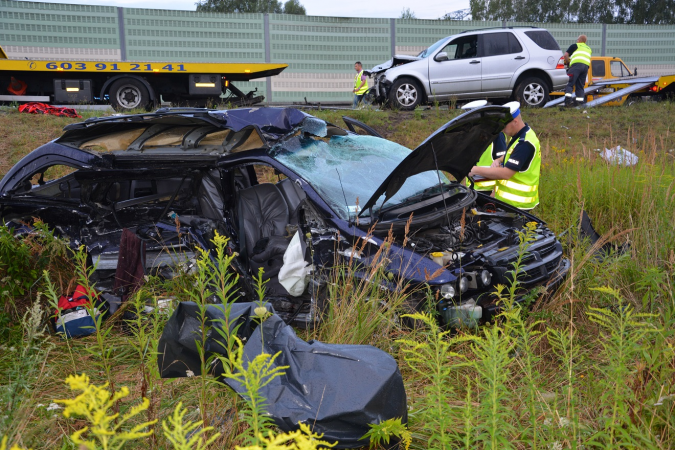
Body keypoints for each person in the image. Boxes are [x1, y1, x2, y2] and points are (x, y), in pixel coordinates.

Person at [468, 101, 540, 210]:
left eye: (504, 125)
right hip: (507, 202)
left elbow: (506, 173)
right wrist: (500, 159)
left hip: (518, 204)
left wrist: (476, 170)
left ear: (515, 122)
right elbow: (513, 155)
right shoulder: (520, 136)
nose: (502, 129)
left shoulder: (524, 143)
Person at [460, 100, 507, 192]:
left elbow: (502, 166)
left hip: (489, 192)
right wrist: (465, 188)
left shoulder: (496, 135)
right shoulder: (470, 136)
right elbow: (470, 168)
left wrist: (494, 195)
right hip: (472, 191)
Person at [563, 35, 592, 106]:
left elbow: (566, 55)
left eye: (577, 39)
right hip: (585, 68)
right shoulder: (589, 49)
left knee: (569, 83)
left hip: (576, 66)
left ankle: (568, 101)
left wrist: (568, 63)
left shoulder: (575, 46)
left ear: (579, 40)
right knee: (580, 86)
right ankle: (580, 103)